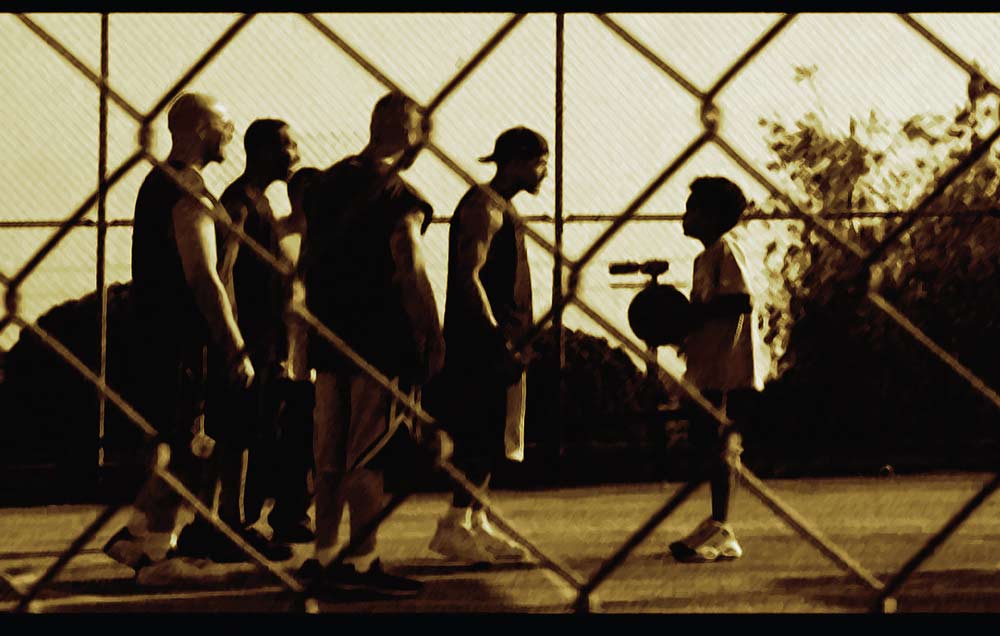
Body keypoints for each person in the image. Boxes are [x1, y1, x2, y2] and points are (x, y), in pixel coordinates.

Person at [296, 92, 444, 598]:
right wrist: (432, 331)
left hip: (329, 337)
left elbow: (306, 261)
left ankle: (324, 556)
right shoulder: (398, 193)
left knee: (329, 457)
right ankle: (361, 563)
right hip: (379, 340)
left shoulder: (325, 184)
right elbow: (410, 262)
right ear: (407, 132)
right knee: (369, 455)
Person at [103, 93, 255, 577]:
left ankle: (147, 543)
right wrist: (234, 344)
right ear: (199, 129)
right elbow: (203, 275)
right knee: (188, 446)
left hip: (162, 336)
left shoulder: (160, 182)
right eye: (225, 124)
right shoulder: (186, 187)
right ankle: (145, 546)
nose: (231, 133)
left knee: (181, 446)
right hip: (183, 341)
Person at [171, 119, 308, 563]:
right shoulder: (239, 204)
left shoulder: (260, 203)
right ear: (263, 151)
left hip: (264, 340)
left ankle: (230, 522)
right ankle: (223, 522)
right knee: (232, 432)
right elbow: (222, 271)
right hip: (245, 340)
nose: (296, 154)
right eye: (288, 146)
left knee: (247, 432)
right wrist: (230, 342)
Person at [425, 127, 548, 565]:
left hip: (503, 341)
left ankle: (474, 520)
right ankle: (453, 525)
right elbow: (468, 275)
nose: (544, 172)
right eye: (539, 162)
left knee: (494, 434)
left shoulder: (501, 206)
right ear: (515, 161)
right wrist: (496, 336)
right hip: (481, 343)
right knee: (476, 434)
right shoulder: (484, 207)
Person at [668, 176, 768, 563]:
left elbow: (741, 300)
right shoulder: (704, 257)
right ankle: (717, 523)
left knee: (721, 444)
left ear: (713, 216)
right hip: (708, 367)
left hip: (730, 369)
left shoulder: (727, 248)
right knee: (706, 444)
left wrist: (692, 314)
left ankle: (723, 528)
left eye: (692, 209)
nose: (685, 215)